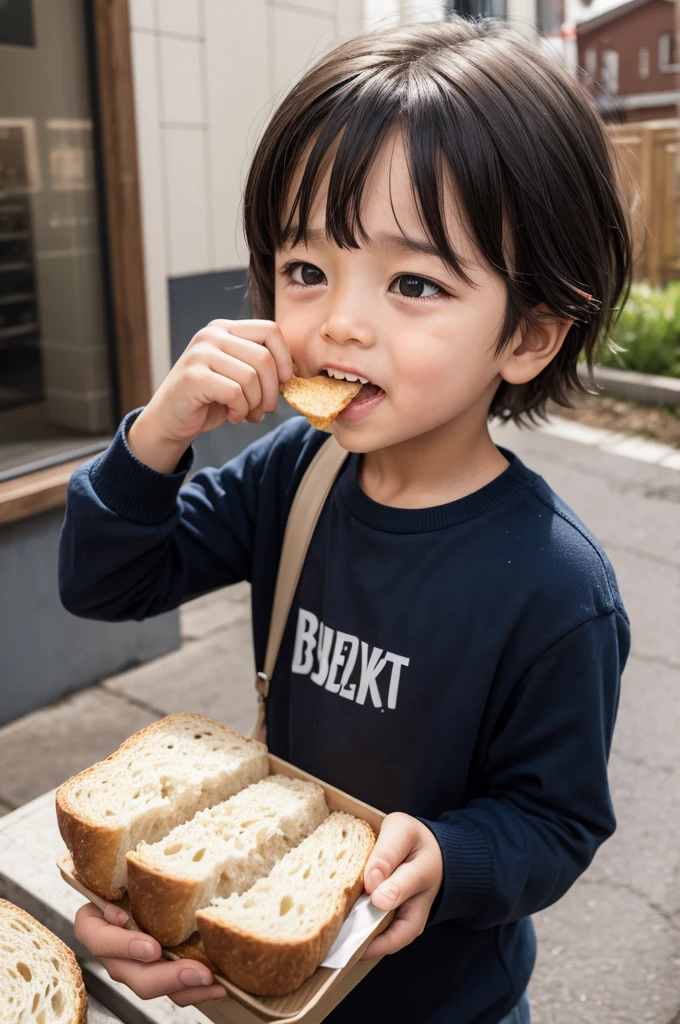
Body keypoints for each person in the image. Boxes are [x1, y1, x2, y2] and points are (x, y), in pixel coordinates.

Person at [58, 15, 632, 1024]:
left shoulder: (552, 586)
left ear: (530, 333)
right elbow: (109, 583)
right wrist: (155, 437)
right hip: (258, 974)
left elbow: (555, 818)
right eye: (304, 269)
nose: (338, 322)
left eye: (412, 282)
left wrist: (453, 859)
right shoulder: (299, 471)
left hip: (442, 1001)